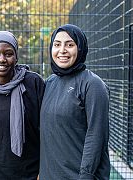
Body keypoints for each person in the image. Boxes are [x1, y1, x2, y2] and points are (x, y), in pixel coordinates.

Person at [39, 24, 110, 179]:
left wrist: (85, 176)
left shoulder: (92, 84)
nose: (62, 50)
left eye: (70, 45)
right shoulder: (50, 83)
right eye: (57, 44)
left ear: (80, 48)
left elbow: (96, 136)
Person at [0, 31, 45, 180]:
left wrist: (41, 173)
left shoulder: (33, 83)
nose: (2, 59)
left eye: (8, 54)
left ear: (16, 57)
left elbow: (46, 132)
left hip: (31, 173)